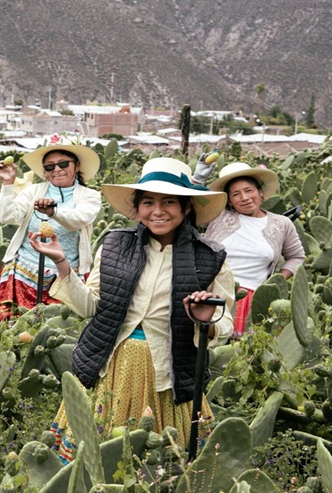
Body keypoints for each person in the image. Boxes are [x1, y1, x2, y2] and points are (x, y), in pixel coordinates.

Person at [28, 157, 235, 461]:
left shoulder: (210, 257)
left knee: (161, 463)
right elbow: (90, 306)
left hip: (169, 371)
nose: (158, 211)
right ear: (138, 208)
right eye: (148, 202)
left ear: (186, 207)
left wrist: (206, 323)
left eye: (169, 202)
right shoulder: (114, 245)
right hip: (111, 366)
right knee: (98, 460)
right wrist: (62, 262)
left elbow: (224, 322)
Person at [0, 136, 102, 341]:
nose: (57, 170)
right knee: (11, 334)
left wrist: (53, 212)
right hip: (23, 272)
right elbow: (7, 216)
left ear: (77, 166)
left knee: (57, 336)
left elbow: (79, 220)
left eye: (64, 164)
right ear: (44, 171)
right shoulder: (33, 191)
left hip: (66, 275)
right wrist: (8, 184)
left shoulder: (89, 196)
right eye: (50, 166)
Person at [204, 162, 306, 336]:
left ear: (260, 192)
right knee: (209, 352)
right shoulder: (217, 216)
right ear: (229, 200)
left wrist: (277, 281)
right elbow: (185, 205)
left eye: (248, 190)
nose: (244, 197)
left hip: (252, 299)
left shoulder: (281, 224)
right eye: (236, 194)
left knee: (243, 355)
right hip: (213, 295)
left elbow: (297, 257)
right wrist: (198, 179)